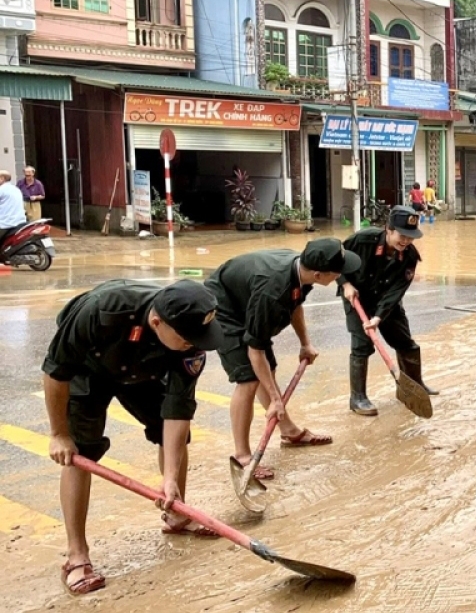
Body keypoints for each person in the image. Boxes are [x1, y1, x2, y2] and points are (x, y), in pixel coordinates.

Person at [43, 279, 223, 595]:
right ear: (157, 322)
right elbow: (56, 370)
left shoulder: (188, 340)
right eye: (186, 339)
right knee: (79, 454)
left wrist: (170, 481)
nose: (194, 344)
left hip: (144, 370)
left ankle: (176, 513)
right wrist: (59, 434)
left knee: (175, 439)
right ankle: (76, 556)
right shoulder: (101, 309)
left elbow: (177, 411)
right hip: (89, 368)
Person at [205, 238, 360, 480]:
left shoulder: (302, 271)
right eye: (338, 272)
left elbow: (294, 304)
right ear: (319, 275)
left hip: (248, 299)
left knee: (268, 371)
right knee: (248, 378)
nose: (341, 275)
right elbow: (254, 350)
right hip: (224, 309)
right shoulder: (272, 291)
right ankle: (243, 456)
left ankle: (288, 431)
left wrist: (305, 343)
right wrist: (276, 399)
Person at [339, 206, 434, 416]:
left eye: (411, 237)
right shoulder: (363, 240)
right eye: (402, 235)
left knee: (405, 342)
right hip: (358, 299)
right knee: (362, 345)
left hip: (387, 302)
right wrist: (345, 284)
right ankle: (358, 398)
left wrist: (379, 317)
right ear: (388, 229)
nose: (406, 241)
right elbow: (335, 260)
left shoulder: (409, 257)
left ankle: (415, 386)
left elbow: (396, 292)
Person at [0, 169, 25, 245]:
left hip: (5, 223)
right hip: (19, 222)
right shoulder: (16, 189)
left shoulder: (2, 189)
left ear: (2, 178)